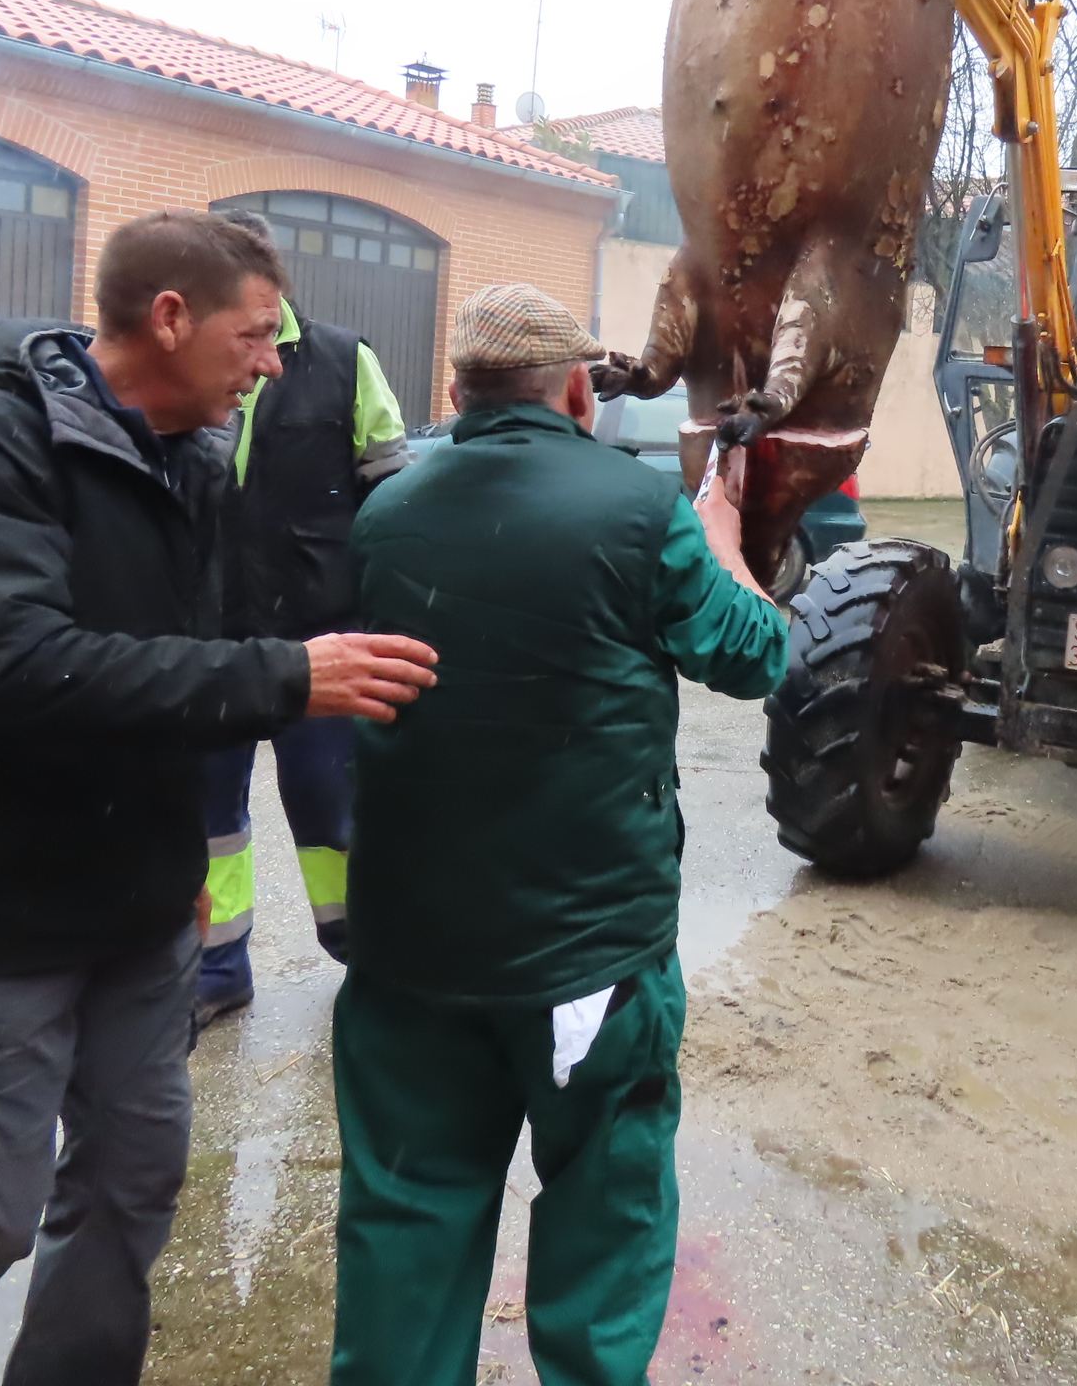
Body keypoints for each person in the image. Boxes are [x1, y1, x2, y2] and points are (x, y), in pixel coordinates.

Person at [0, 211, 438, 1386]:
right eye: (254, 336)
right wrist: (289, 674)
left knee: (133, 1179)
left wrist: (182, 861)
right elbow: (17, 669)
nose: (274, 364)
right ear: (170, 318)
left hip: (131, 909)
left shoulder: (186, 461)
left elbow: (164, 684)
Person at [330, 282, 790, 1385]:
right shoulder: (635, 512)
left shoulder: (384, 510)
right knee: (602, 1212)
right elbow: (753, 656)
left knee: (404, 1221)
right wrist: (720, 534)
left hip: (408, 952)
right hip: (589, 964)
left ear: (454, 393)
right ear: (581, 391)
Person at [193, 209, 414, 1026]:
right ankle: (217, 969)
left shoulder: (343, 359)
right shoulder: (184, 366)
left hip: (325, 639)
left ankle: (369, 955)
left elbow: (393, 494)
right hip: (206, 644)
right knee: (207, 816)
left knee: (334, 810)